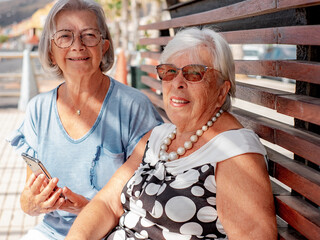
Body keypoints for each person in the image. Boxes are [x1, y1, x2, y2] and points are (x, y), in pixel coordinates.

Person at [65, 27, 277, 239]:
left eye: (194, 73)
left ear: (221, 91)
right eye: (169, 72)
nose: (177, 83)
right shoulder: (158, 137)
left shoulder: (234, 151)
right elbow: (107, 203)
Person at [7, 0, 163, 239]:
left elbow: (151, 197)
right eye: (65, 36)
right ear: (51, 50)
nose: (77, 45)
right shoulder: (38, 109)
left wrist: (86, 208)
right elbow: (29, 200)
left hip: (118, 231)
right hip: (53, 232)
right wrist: (32, 203)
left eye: (88, 35)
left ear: (104, 47)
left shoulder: (133, 107)